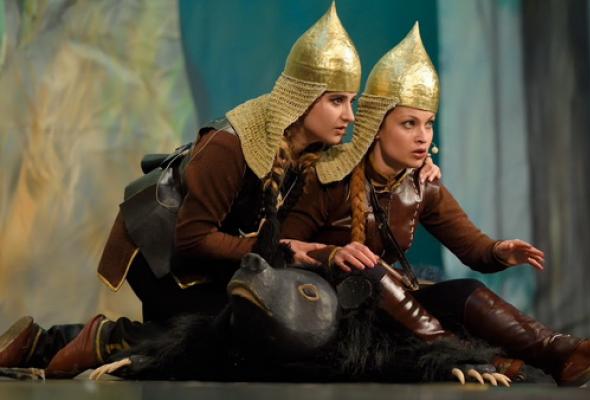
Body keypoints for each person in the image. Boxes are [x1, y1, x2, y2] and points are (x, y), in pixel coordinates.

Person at [0, 4, 439, 378]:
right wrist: (280, 248)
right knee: (232, 327)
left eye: (351, 101)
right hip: (162, 256)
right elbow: (191, 239)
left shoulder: (314, 146)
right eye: (336, 100)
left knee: (252, 329)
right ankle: (107, 339)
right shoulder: (231, 145)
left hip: (211, 253)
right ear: (304, 97)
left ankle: (42, 342)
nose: (349, 115)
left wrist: (416, 166)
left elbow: (363, 163)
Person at [280, 23, 590, 387]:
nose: (422, 136)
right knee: (370, 268)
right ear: (376, 126)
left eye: (428, 124)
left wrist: (499, 250)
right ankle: (459, 353)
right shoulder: (329, 177)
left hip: (391, 312)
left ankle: (564, 353)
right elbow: (281, 251)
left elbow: (472, 247)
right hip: (332, 314)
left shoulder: (422, 186)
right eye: (409, 124)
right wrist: (331, 254)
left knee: (463, 292)